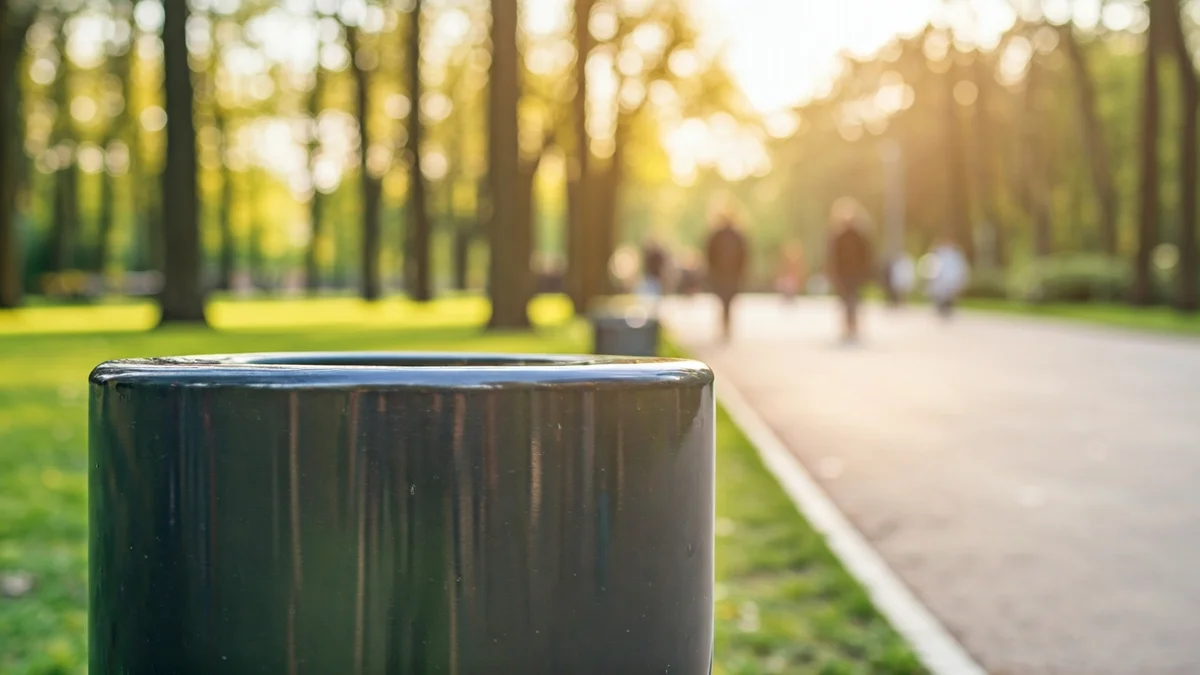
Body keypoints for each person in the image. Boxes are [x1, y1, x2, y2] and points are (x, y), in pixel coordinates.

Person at [825, 198, 874, 343]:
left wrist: (867, 272)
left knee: (853, 299)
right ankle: (848, 326)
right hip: (843, 273)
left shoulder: (860, 236)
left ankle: (853, 326)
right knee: (846, 299)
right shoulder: (838, 236)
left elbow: (867, 255)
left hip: (856, 272)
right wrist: (832, 272)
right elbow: (833, 256)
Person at [705, 207, 749, 342]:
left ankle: (725, 325)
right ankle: (726, 325)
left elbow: (709, 254)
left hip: (724, 273)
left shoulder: (718, 235)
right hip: (730, 274)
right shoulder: (736, 235)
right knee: (726, 300)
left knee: (725, 300)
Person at [925, 237, 970, 318]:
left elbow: (960, 270)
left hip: (948, 282)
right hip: (943, 283)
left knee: (948, 298)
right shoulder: (939, 255)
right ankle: (943, 310)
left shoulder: (953, 255)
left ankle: (946, 310)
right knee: (942, 298)